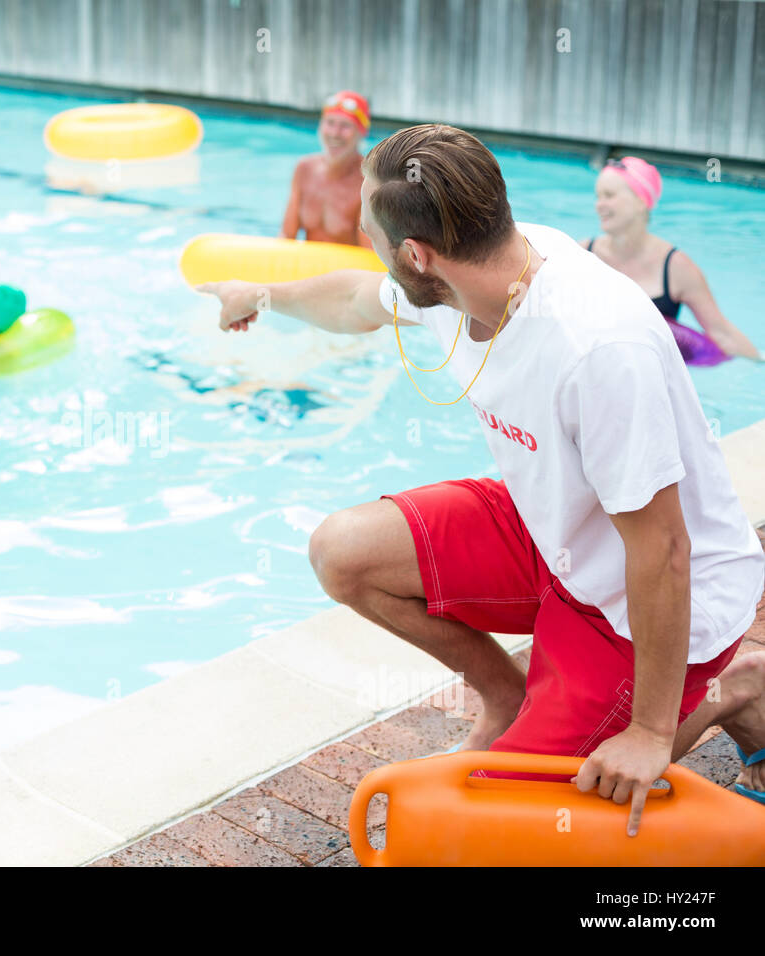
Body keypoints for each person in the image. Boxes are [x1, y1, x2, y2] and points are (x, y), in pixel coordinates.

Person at [198, 123, 765, 832]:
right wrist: (262, 295)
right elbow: (355, 301)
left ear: (416, 253)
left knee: (513, 826)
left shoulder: (598, 345)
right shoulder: (469, 266)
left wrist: (649, 733)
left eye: (374, 238)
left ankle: (735, 686)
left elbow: (663, 550)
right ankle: (506, 696)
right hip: (555, 529)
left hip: (645, 597)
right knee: (343, 552)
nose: (372, 253)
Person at [580, 156, 759, 362]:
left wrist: (759, 360)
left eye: (609, 195)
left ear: (641, 201)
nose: (599, 205)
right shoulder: (583, 254)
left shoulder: (676, 267)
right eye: (598, 196)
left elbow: (722, 334)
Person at [280, 90, 373, 248]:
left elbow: (369, 253)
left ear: (361, 132)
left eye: (345, 126)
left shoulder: (368, 180)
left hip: (348, 271)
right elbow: (286, 237)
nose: (335, 133)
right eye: (330, 123)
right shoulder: (304, 169)